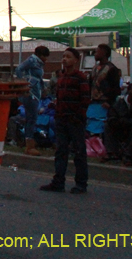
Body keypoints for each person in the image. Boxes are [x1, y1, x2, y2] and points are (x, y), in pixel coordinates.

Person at [40, 47, 90, 194]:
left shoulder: (80, 77)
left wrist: (78, 116)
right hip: (61, 119)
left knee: (79, 152)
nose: (64, 59)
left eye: (68, 57)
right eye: (63, 56)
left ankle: (81, 183)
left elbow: (85, 100)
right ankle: (58, 182)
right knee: (61, 151)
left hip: (75, 121)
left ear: (76, 60)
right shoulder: (61, 77)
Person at [15, 45, 49, 156]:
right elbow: (19, 69)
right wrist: (24, 83)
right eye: (45, 56)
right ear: (41, 55)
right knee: (31, 118)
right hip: (31, 93)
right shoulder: (32, 61)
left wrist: (43, 88)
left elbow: (39, 78)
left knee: (32, 118)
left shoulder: (38, 64)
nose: (46, 59)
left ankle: (29, 142)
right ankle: (29, 144)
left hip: (36, 92)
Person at [103, 83, 132, 166]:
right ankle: (112, 152)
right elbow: (112, 113)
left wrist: (128, 122)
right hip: (120, 127)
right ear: (128, 91)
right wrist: (114, 121)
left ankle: (129, 155)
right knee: (107, 126)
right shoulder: (120, 102)